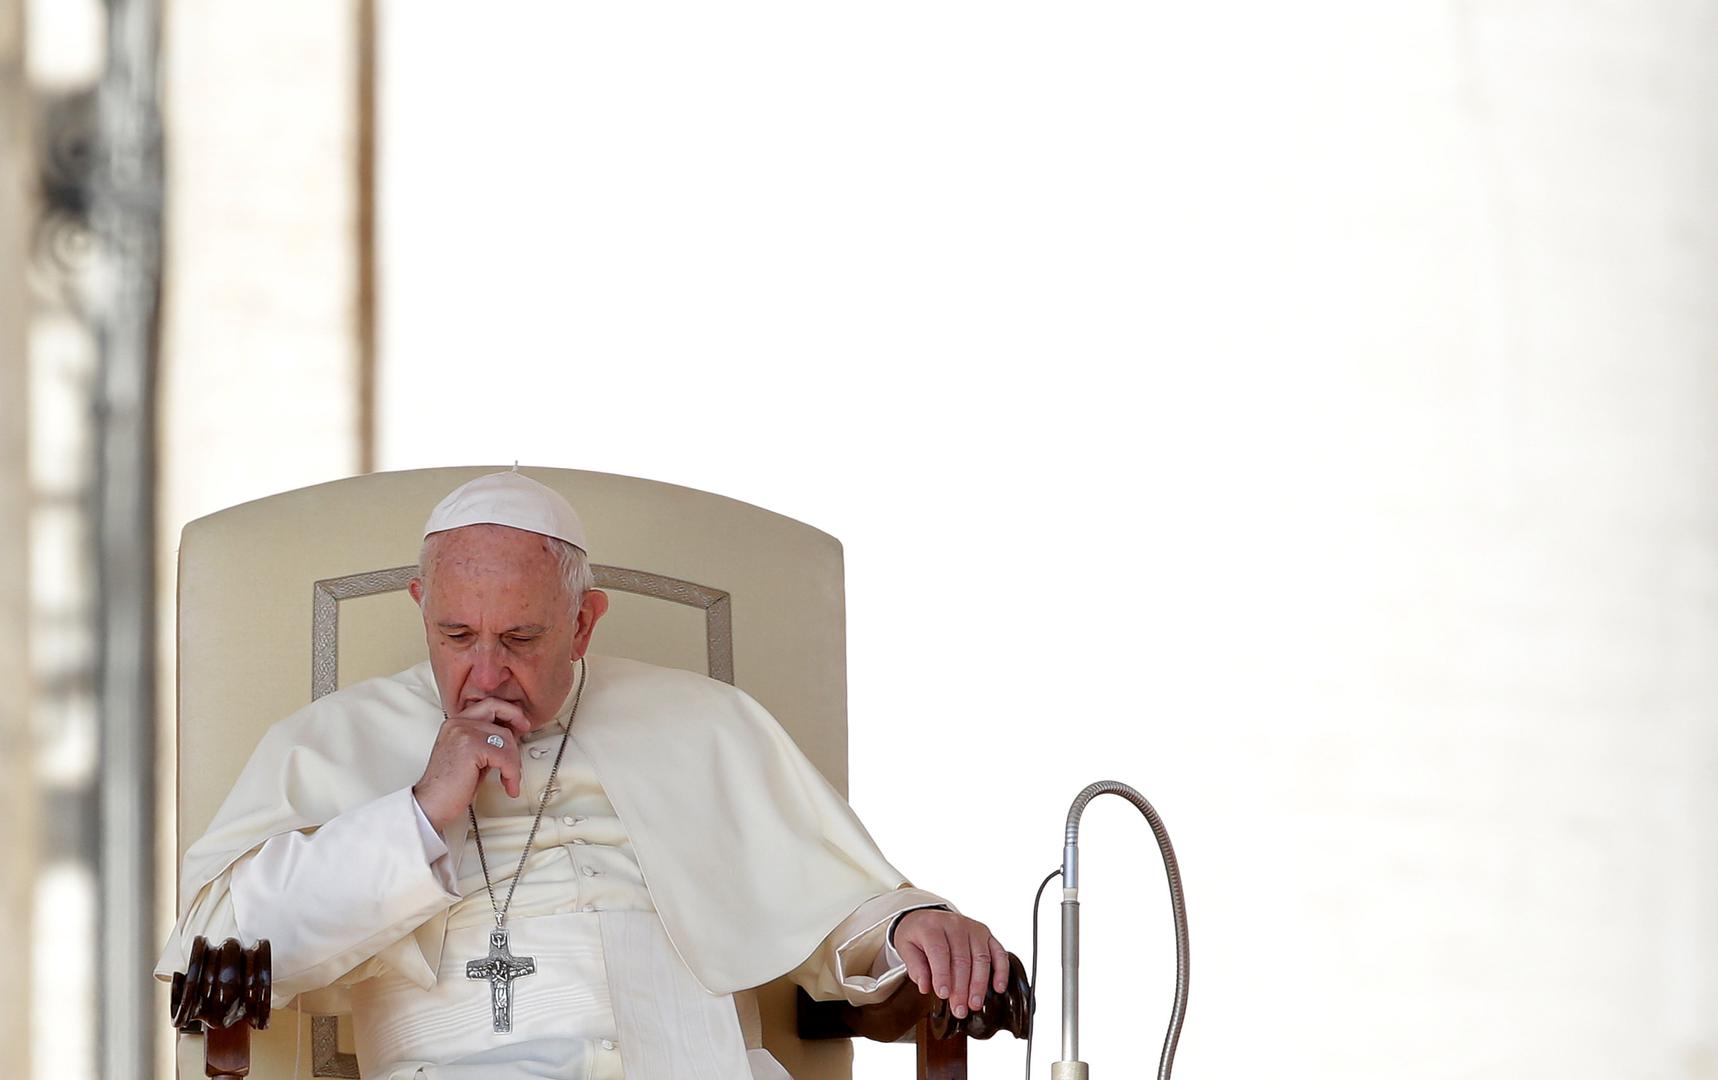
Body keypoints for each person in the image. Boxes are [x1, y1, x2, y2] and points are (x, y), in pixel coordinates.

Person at [156, 470, 1008, 1080]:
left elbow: (830, 907)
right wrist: (418, 812)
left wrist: (913, 925)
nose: (486, 674)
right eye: (456, 636)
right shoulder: (328, 739)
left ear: (584, 622)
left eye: (521, 639)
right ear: (421, 606)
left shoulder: (705, 721)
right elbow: (219, 946)